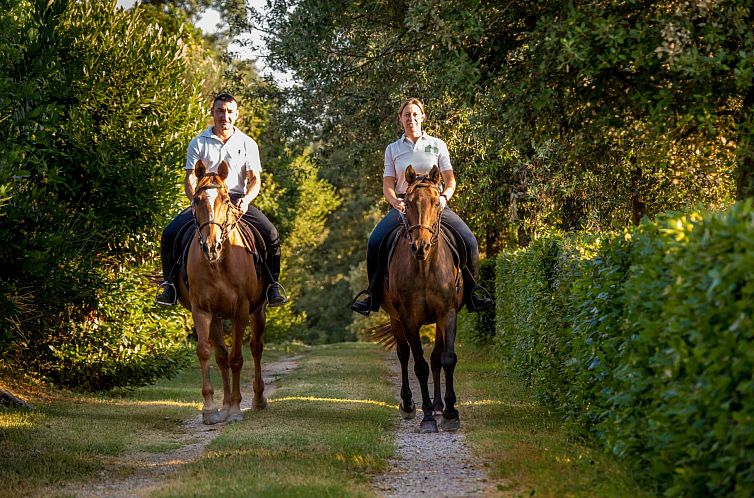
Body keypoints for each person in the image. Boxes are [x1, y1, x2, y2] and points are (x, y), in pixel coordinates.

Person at [350, 97, 492, 316]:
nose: (411, 119)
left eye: (415, 114)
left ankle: (473, 294)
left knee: (470, 241)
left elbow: (450, 180)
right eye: (407, 115)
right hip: (404, 207)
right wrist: (394, 201)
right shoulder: (393, 149)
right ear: (400, 119)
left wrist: (444, 198)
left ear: (423, 117)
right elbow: (388, 184)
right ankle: (373, 296)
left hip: (435, 206)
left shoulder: (437, 144)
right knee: (374, 242)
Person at [155, 93, 287, 307]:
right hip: (205, 200)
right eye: (220, 111)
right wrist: (194, 200)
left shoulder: (247, 143)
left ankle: (272, 285)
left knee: (271, 233)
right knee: (169, 234)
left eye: (229, 111)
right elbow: (190, 176)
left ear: (236, 115)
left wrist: (245, 200)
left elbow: (255, 180)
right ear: (212, 113)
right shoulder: (198, 142)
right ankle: (169, 285)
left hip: (235, 199)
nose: (224, 116)